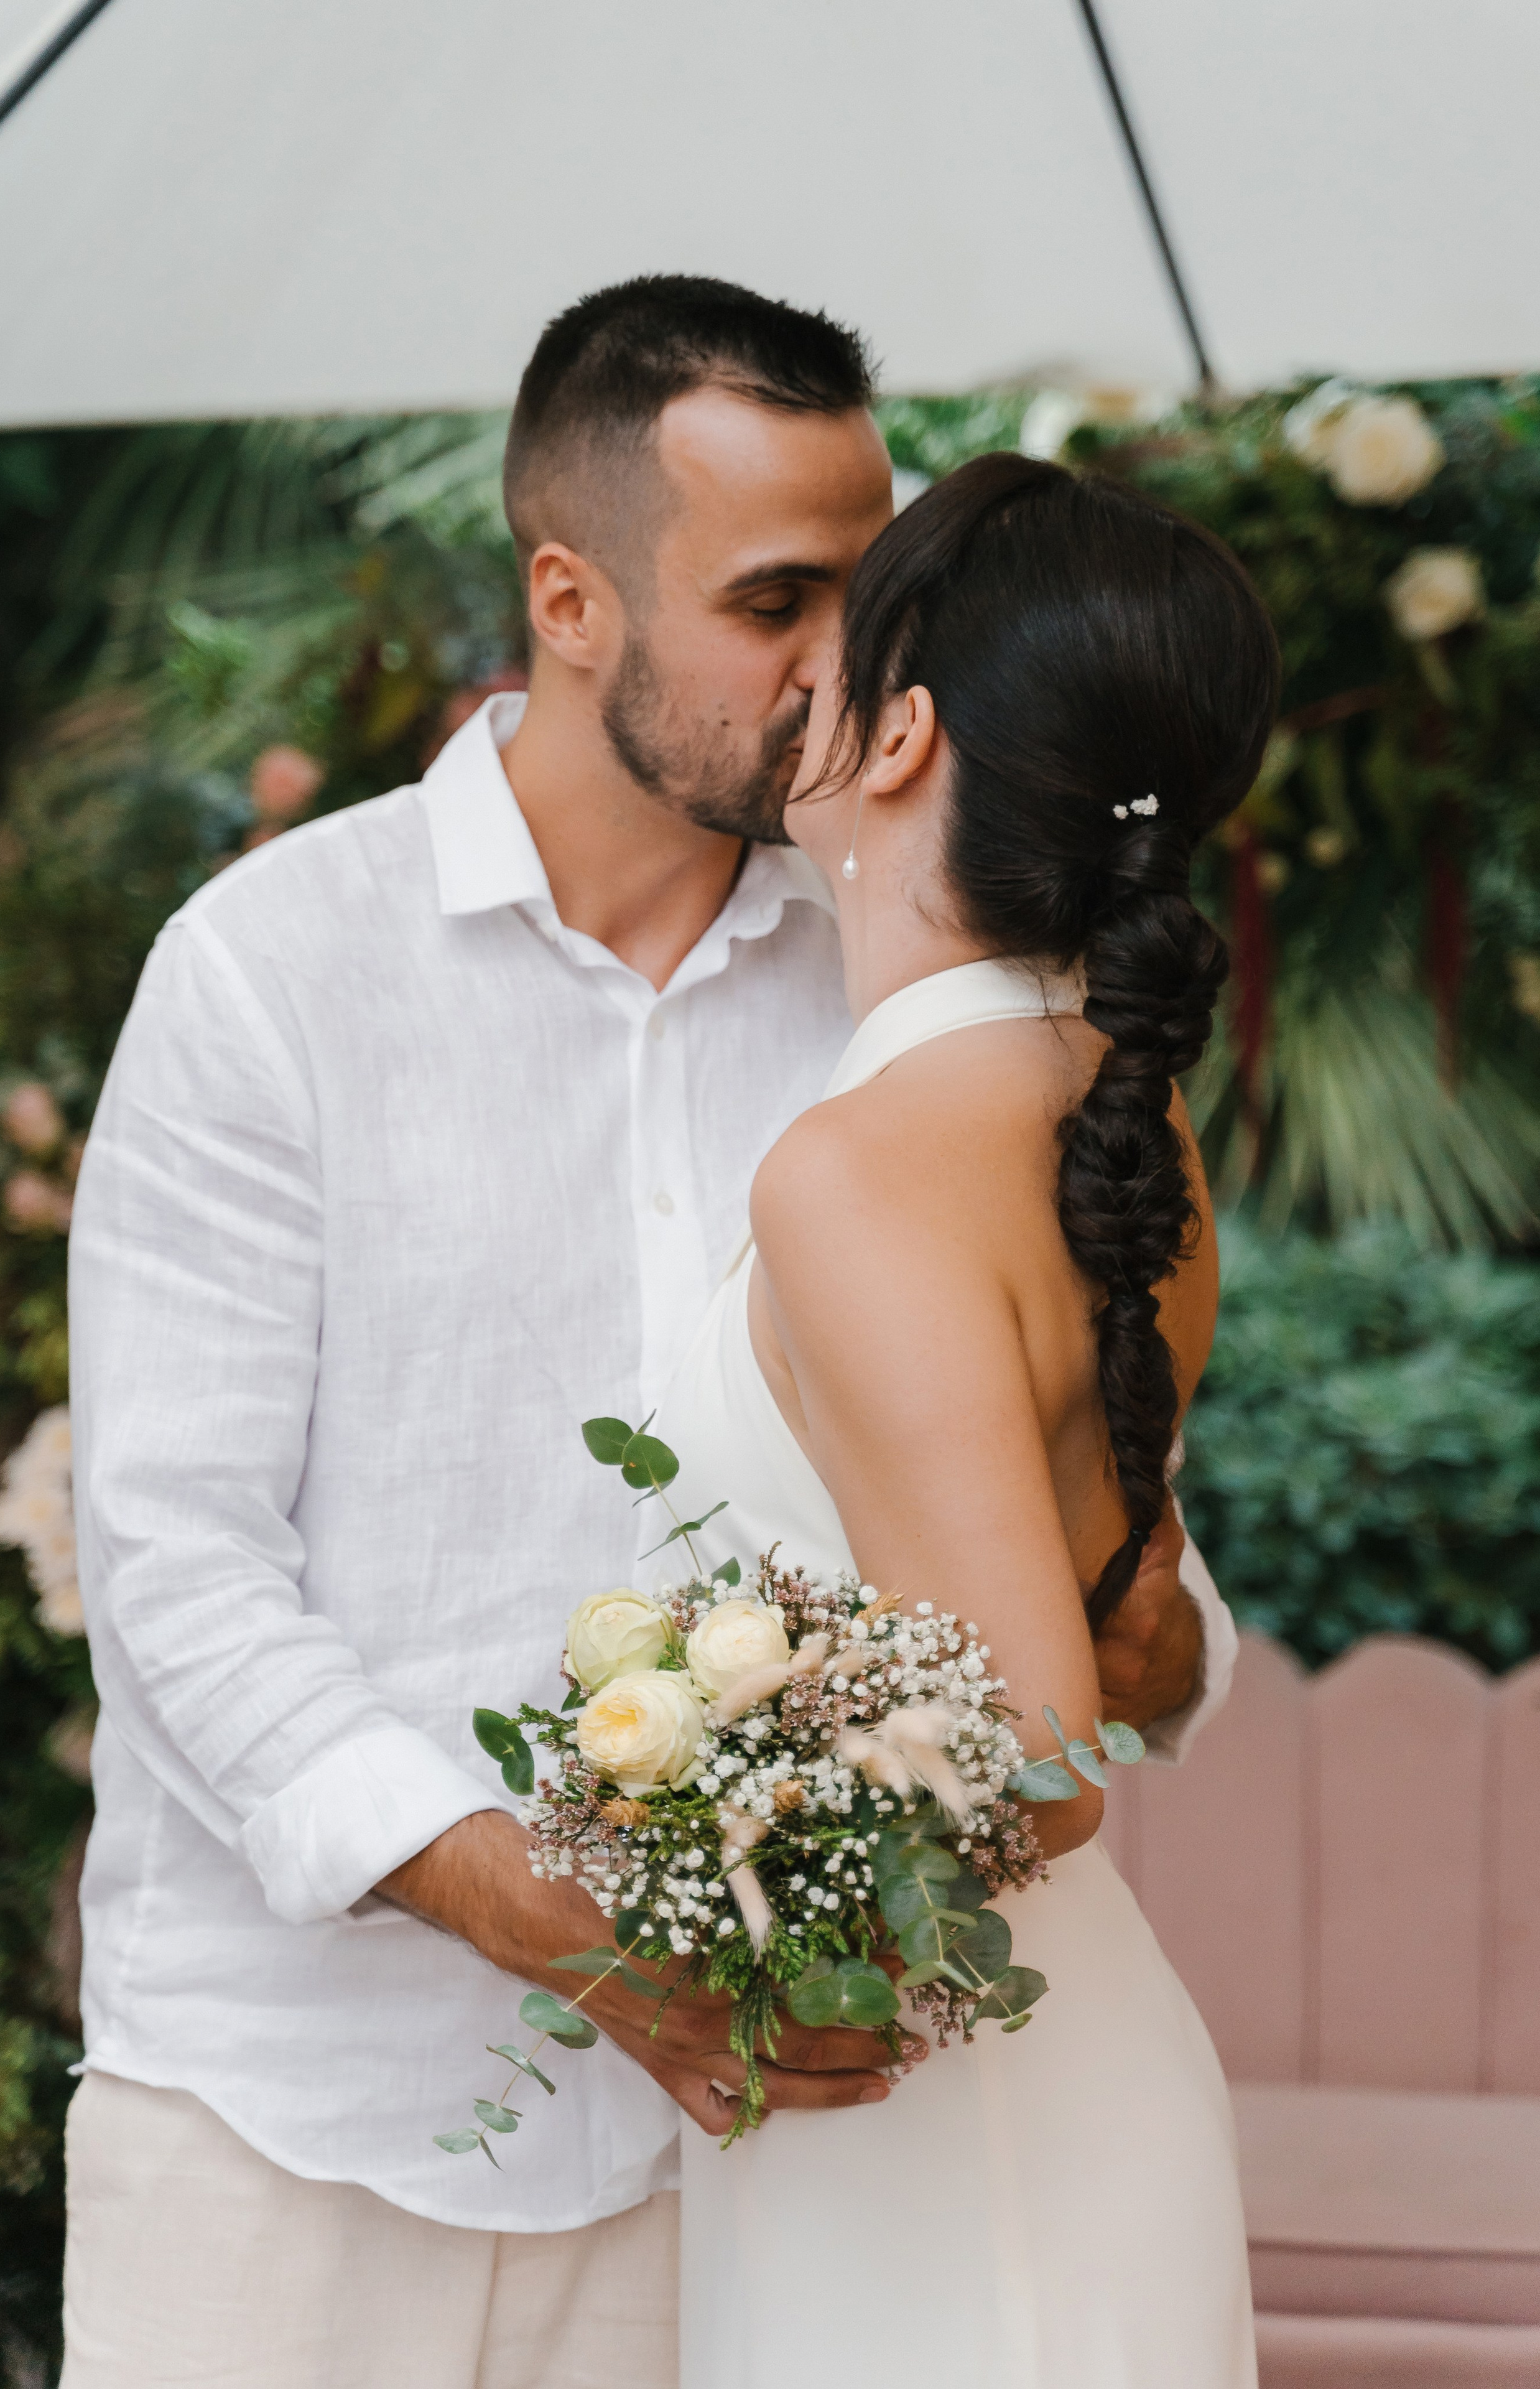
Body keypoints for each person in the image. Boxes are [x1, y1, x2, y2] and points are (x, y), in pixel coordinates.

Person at [62, 280, 1237, 2389]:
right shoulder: (269, 976)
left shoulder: (902, 1008)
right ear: (570, 597)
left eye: (864, 601)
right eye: (775, 598)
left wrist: (1173, 1638)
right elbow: (174, 1572)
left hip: (745, 2166)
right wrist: (554, 1923)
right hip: (288, 2137)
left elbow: (1056, 1496)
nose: (842, 672)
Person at [658, 450, 1281, 2386]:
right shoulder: (1119, 1113)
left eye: (827, 653)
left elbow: (1035, 1756)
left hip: (947, 2139)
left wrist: (675, 1829)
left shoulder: (858, 1175)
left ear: (901, 731)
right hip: (1028, 2083)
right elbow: (1102, 1617)